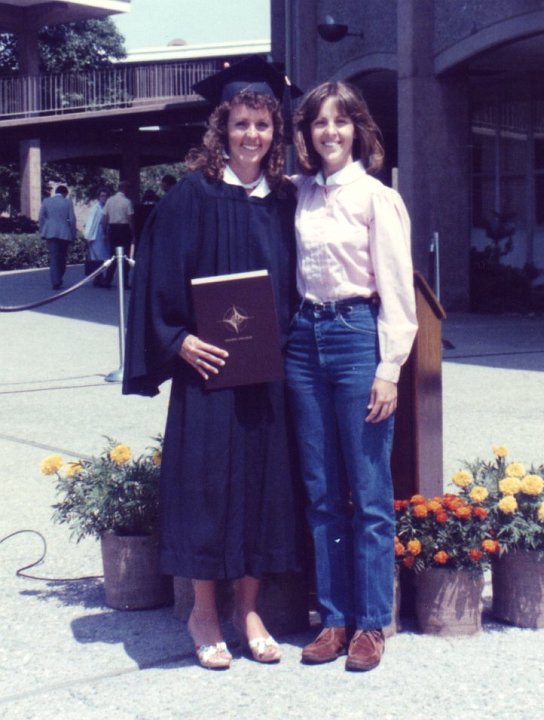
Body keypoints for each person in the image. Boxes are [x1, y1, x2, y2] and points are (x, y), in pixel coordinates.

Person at [122, 56, 301, 671]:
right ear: (221, 128)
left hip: (266, 376)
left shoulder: (284, 202)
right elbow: (155, 288)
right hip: (207, 375)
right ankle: (203, 611)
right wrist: (178, 344)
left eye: (263, 125)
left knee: (262, 485)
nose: (252, 134)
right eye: (241, 123)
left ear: (276, 134)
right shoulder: (188, 199)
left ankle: (248, 610)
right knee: (206, 489)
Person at [285, 81, 418, 672]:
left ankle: (371, 624)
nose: (330, 132)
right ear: (308, 134)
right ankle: (334, 618)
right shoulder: (301, 194)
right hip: (303, 341)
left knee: (367, 492)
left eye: (340, 122)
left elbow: (396, 290)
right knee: (320, 493)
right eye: (319, 123)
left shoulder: (375, 198)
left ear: (358, 128)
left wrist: (389, 368)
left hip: (356, 336)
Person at [38, 185, 76, 290]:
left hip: (50, 233)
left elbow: (41, 217)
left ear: (56, 192)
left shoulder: (46, 201)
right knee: (62, 257)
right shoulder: (68, 202)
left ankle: (55, 281)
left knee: (54, 257)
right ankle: (59, 277)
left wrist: (44, 229)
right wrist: (73, 234)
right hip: (64, 233)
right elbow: (72, 220)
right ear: (65, 193)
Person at [102, 180, 135, 288]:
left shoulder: (109, 201)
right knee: (125, 256)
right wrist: (133, 234)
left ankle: (107, 280)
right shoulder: (127, 202)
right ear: (125, 189)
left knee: (112, 255)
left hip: (113, 228)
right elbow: (130, 219)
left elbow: (105, 218)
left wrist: (105, 231)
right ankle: (124, 282)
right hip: (124, 229)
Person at [83, 188, 109, 287]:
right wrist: (88, 236)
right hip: (95, 236)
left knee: (102, 258)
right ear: (98, 197)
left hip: (103, 236)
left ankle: (99, 278)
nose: (104, 198)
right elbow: (90, 222)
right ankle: (98, 278)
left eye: (105, 196)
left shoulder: (106, 207)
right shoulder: (95, 208)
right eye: (102, 196)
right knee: (97, 258)